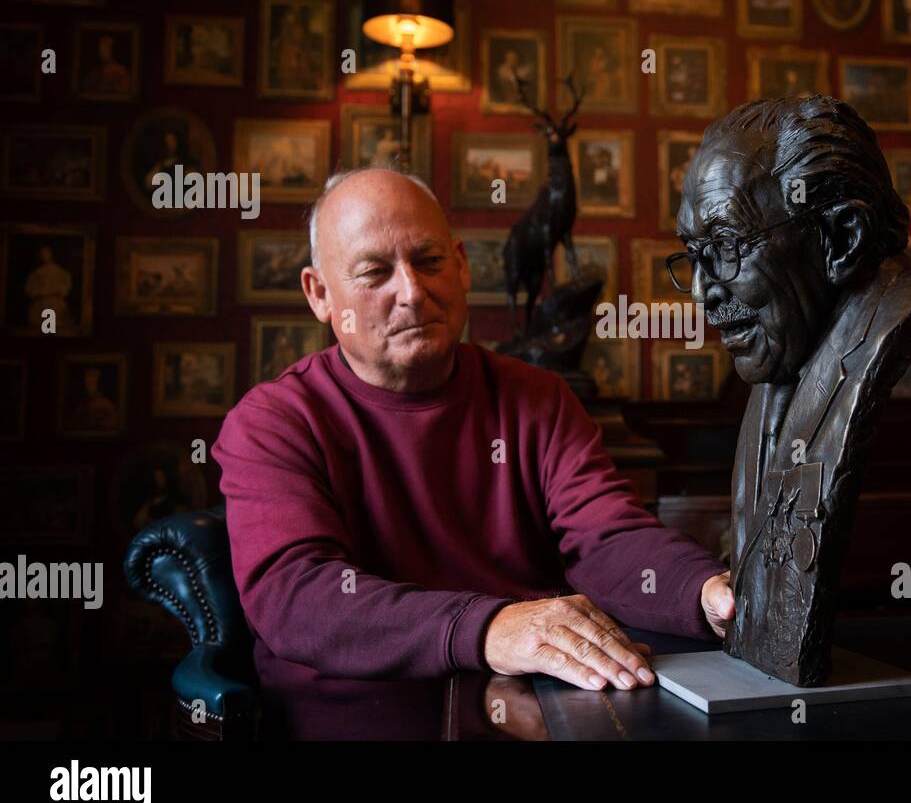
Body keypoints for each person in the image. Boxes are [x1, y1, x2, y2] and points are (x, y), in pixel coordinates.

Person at [213, 166, 733, 739]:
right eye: (374, 272)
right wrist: (488, 628)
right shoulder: (273, 422)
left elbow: (608, 536)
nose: (411, 292)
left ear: (461, 266)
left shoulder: (537, 398)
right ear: (319, 293)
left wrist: (704, 590)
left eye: (430, 261)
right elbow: (298, 597)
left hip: (525, 711)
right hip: (366, 721)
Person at [671, 94, 911, 684]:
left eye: (724, 248)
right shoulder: (785, 348)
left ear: (842, 237)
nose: (700, 291)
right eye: (693, 256)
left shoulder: (878, 323)